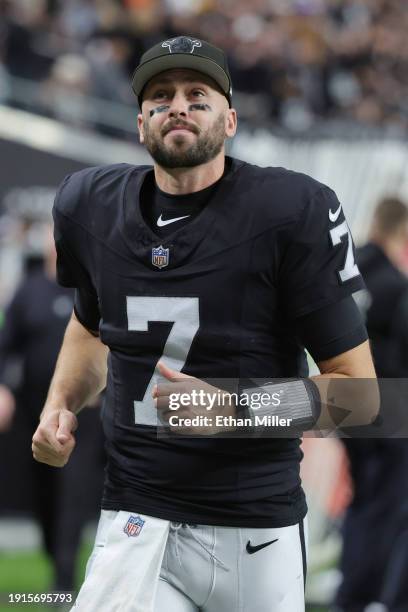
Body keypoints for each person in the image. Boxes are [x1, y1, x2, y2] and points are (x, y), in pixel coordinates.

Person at [31, 36, 377, 612]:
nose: (179, 106)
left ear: (231, 120)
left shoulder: (290, 211)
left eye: (199, 94)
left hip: (252, 530)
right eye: (161, 96)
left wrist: (233, 409)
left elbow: (361, 398)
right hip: (136, 513)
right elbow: (90, 327)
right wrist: (59, 404)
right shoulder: (87, 204)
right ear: (141, 123)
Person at [0, 228, 104, 592]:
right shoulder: (29, 291)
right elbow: (6, 344)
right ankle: (55, 565)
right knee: (44, 496)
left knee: (71, 495)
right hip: (35, 412)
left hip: (81, 416)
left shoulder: (89, 290)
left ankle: (63, 584)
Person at [334, 197, 408, 612]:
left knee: (362, 500)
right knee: (386, 507)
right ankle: (365, 595)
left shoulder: (349, 274)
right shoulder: (397, 286)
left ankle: (350, 585)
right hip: (391, 412)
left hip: (346, 405)